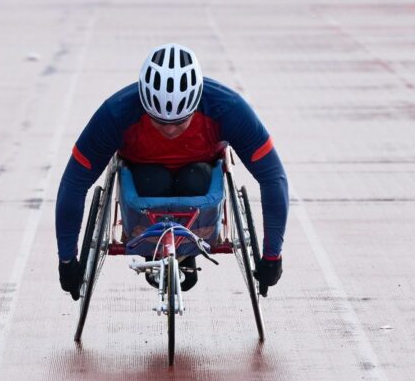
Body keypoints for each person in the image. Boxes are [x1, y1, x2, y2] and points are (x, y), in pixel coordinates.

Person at [55, 43, 288, 299]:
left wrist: (272, 255)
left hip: (198, 179)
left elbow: (272, 176)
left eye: (180, 122)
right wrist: (67, 261)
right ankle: (154, 246)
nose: (169, 130)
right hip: (144, 181)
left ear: (196, 104)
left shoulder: (228, 108)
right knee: (153, 180)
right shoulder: (115, 114)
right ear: (143, 105)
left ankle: (186, 251)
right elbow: (74, 182)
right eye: (159, 121)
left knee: (196, 177)